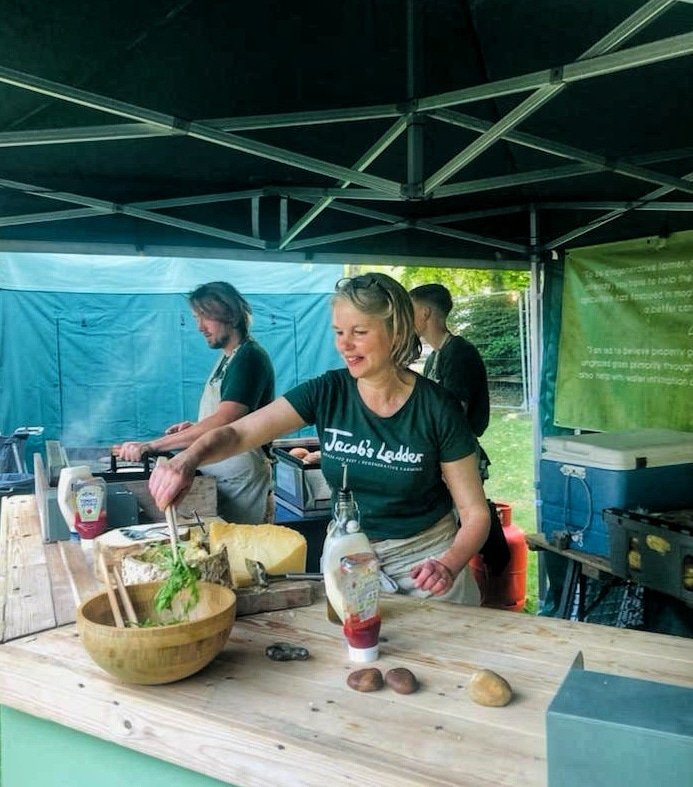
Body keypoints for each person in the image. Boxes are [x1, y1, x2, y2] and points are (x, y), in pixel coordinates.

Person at [148, 272, 490, 604]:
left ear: (397, 332)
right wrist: (186, 460)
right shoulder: (328, 391)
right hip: (350, 557)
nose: (344, 344)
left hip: (426, 566)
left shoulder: (437, 407)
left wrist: (449, 564)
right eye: (338, 332)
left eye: (359, 332)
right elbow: (239, 432)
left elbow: (475, 514)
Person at [116, 281, 275, 524]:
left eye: (205, 317)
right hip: (222, 478)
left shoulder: (249, 357)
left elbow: (226, 420)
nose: (200, 327)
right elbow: (224, 417)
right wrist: (196, 427)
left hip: (241, 483)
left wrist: (152, 445)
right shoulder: (228, 358)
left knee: (238, 545)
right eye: (196, 318)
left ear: (231, 315)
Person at [409, 283, 491, 481]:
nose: (405, 317)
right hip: (439, 452)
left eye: (409, 310)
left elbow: (456, 412)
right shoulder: (434, 357)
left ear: (425, 313)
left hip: (457, 456)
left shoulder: (459, 352)